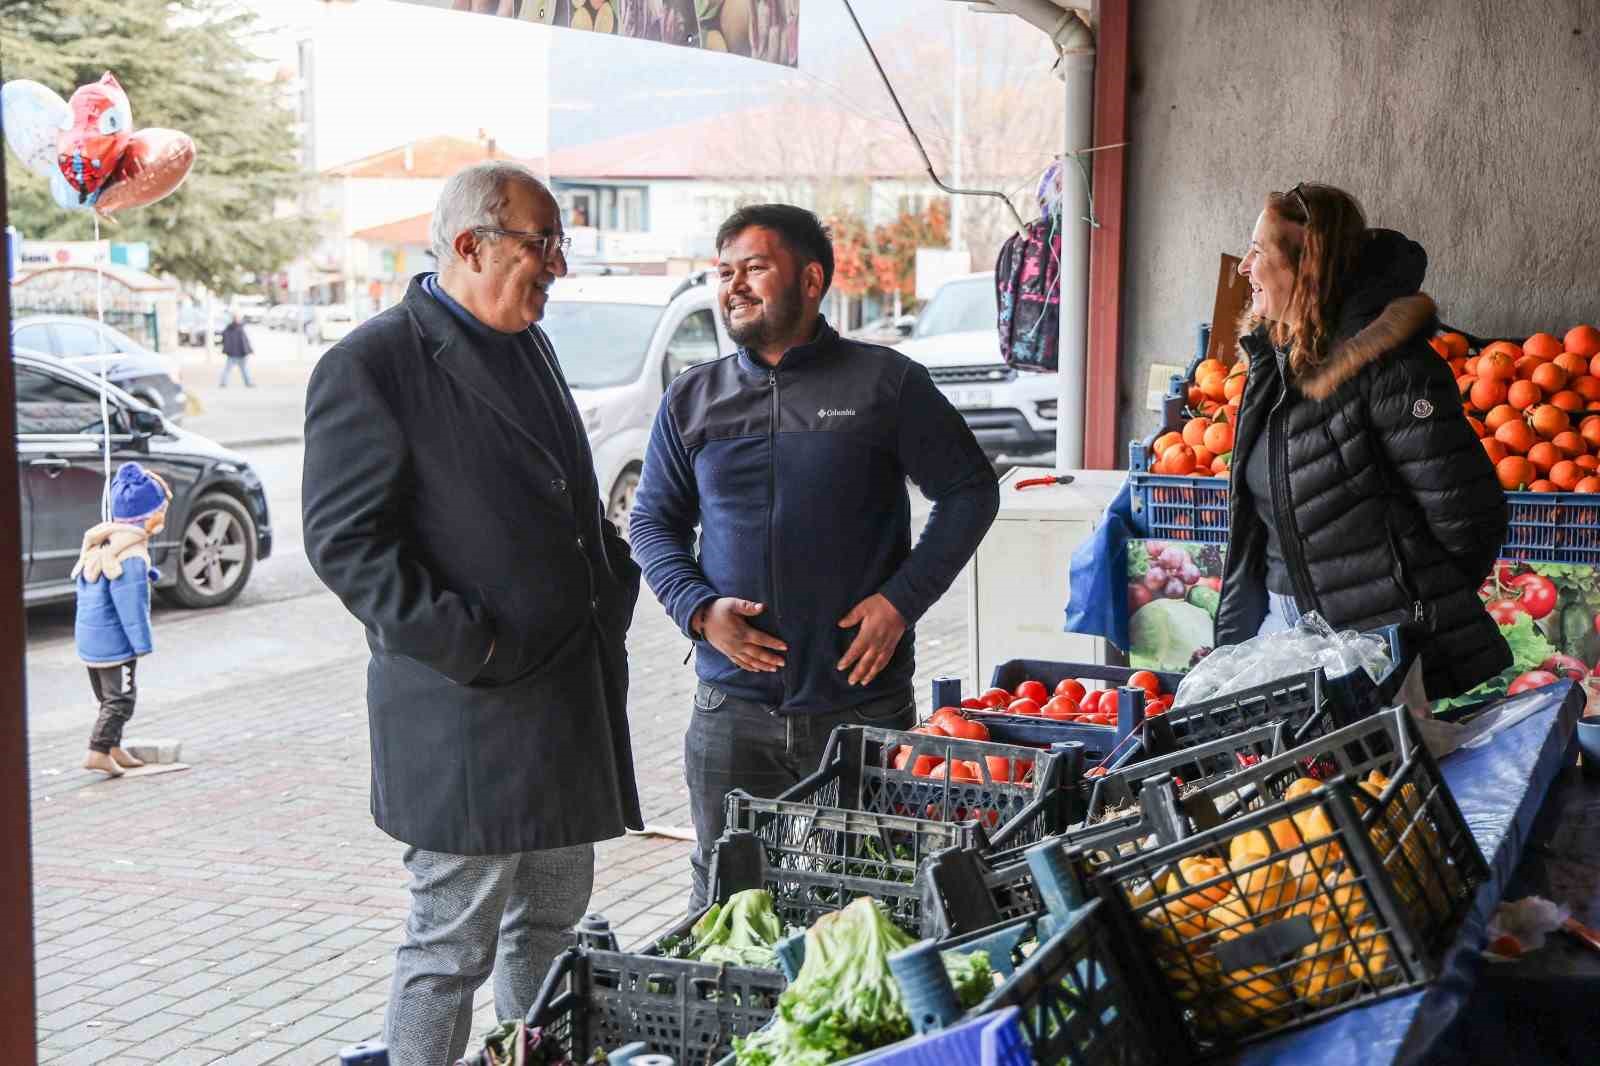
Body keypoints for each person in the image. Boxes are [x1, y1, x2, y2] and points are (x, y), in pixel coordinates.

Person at [301, 160, 642, 1066]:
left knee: (554, 924)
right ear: (469, 244)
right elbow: (345, 546)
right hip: (470, 711)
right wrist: (475, 643)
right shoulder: (372, 365)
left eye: (560, 244)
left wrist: (610, 585)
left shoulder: (528, 339)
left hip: (568, 697)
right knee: (450, 946)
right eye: (544, 244)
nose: (559, 266)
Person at [629, 204, 1000, 914]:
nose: (734, 286)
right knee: (728, 902)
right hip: (731, 709)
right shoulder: (693, 398)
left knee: (871, 896)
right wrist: (699, 610)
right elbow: (652, 522)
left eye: (755, 268)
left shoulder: (883, 383)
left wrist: (901, 602)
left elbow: (970, 491)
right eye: (724, 272)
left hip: (860, 703)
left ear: (811, 278)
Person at [1215, 182, 1511, 699]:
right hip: (1292, 638)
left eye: (1259, 251)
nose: (1243, 267)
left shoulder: (1392, 368)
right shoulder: (1274, 361)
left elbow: (1469, 514)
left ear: (1306, 268)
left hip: (1376, 651)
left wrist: (1410, 609)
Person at [72, 462, 171, 777]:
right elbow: (131, 605)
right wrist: (141, 644)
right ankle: (98, 751)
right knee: (121, 701)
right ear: (151, 517)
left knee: (107, 699)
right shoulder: (130, 556)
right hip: (114, 643)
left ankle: (113, 746)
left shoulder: (105, 541)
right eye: (162, 511)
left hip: (91, 640)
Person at [219, 312, 254, 388]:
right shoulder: (233, 328)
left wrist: (248, 350)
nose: (238, 319)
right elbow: (226, 339)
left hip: (241, 353)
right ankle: (223, 382)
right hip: (234, 353)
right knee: (229, 369)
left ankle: (248, 382)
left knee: (243, 369)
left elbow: (245, 341)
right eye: (237, 318)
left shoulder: (236, 327)